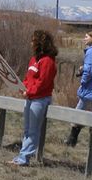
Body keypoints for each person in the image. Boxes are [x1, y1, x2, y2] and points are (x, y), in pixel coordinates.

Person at [8, 30, 58, 166]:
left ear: (39, 43)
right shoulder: (33, 59)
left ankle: (24, 158)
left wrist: (29, 92)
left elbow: (43, 82)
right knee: (27, 129)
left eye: (33, 40)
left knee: (33, 130)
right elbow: (27, 78)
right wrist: (22, 87)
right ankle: (22, 156)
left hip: (40, 99)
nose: (31, 43)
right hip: (30, 98)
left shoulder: (48, 61)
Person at [65, 31, 92, 147]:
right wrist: (84, 67)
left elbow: (90, 69)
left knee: (78, 112)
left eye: (86, 37)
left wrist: (83, 81)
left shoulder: (91, 52)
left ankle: (72, 139)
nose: (84, 39)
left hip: (90, 87)